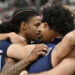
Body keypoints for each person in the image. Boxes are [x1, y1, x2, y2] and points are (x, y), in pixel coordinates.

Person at [0, 4, 75, 75]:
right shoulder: (11, 46)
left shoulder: (41, 41)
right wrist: (29, 58)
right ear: (24, 25)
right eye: (37, 25)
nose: (39, 28)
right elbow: (5, 73)